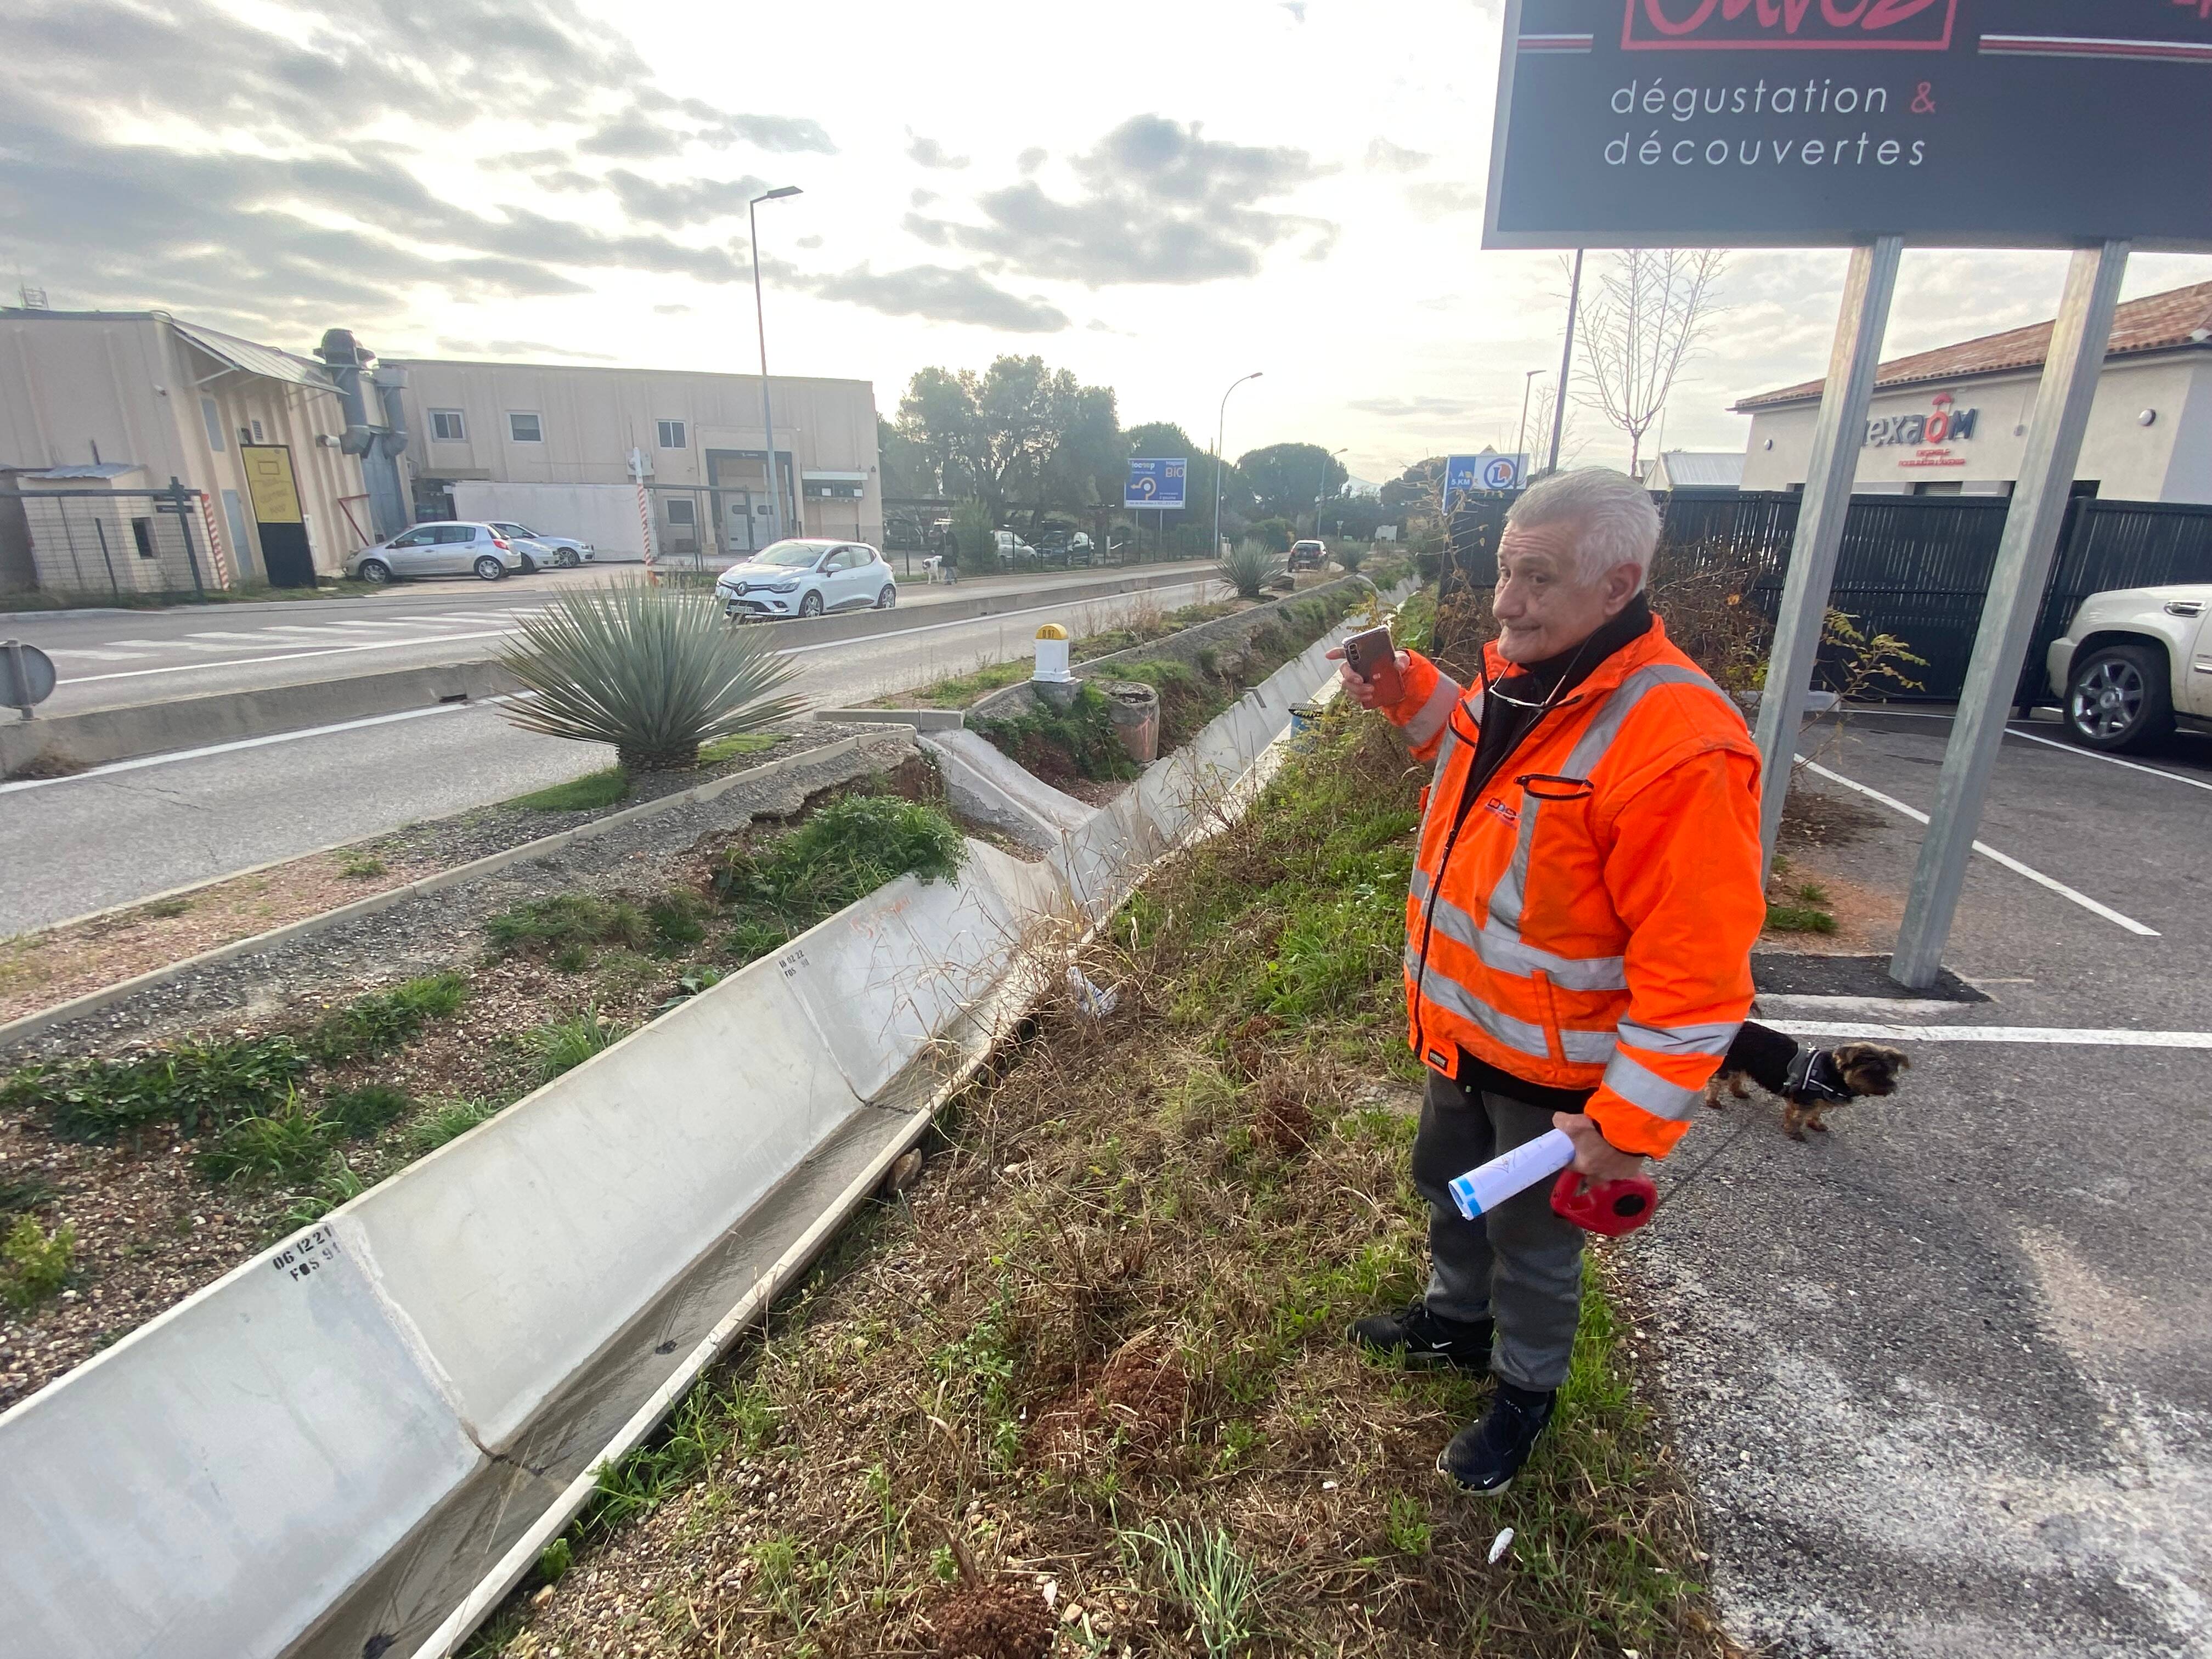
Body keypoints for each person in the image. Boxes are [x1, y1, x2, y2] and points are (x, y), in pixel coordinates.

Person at [1334, 468, 1767, 1496]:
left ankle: (1523, 1397)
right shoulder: (1529, 675)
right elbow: (1471, 749)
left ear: (1619, 585)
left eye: (1538, 578)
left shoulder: (1680, 745)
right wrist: (1407, 689)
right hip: (1463, 1031)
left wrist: (1624, 1125)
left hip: (1559, 1078)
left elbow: (1699, 976)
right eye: (1503, 572)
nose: (1507, 601)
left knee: (1533, 1247)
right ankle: (1453, 1324)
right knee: (1449, 1188)